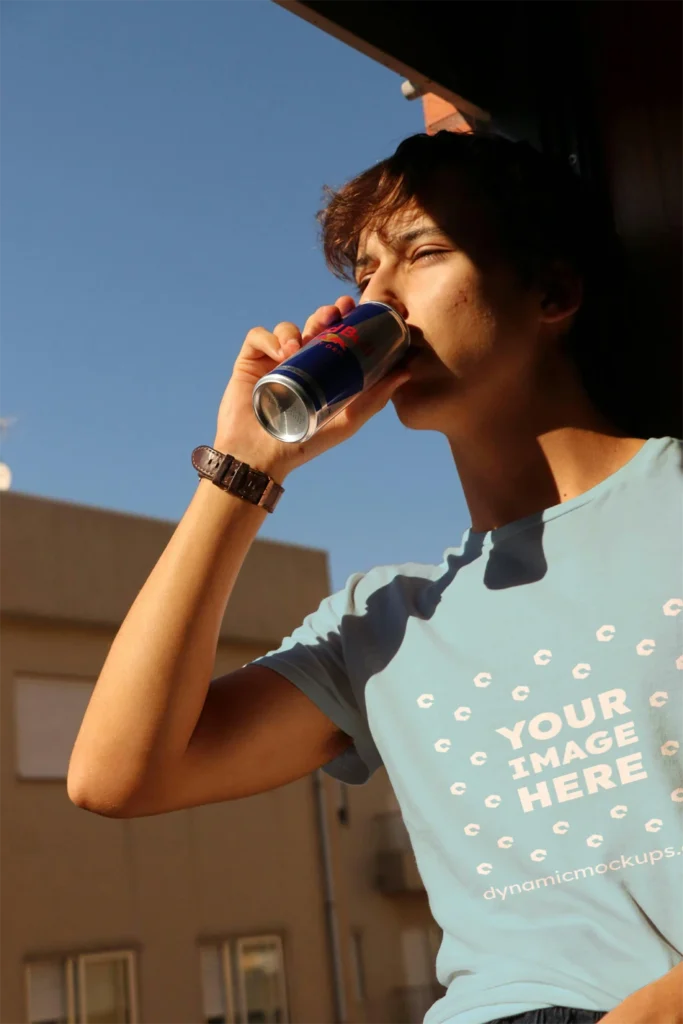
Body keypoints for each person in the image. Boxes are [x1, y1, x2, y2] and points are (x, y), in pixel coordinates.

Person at [67, 131, 683, 1024]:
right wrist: (248, 468)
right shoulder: (385, 621)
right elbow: (116, 777)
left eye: (422, 253)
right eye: (362, 273)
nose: (375, 299)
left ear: (551, 292)